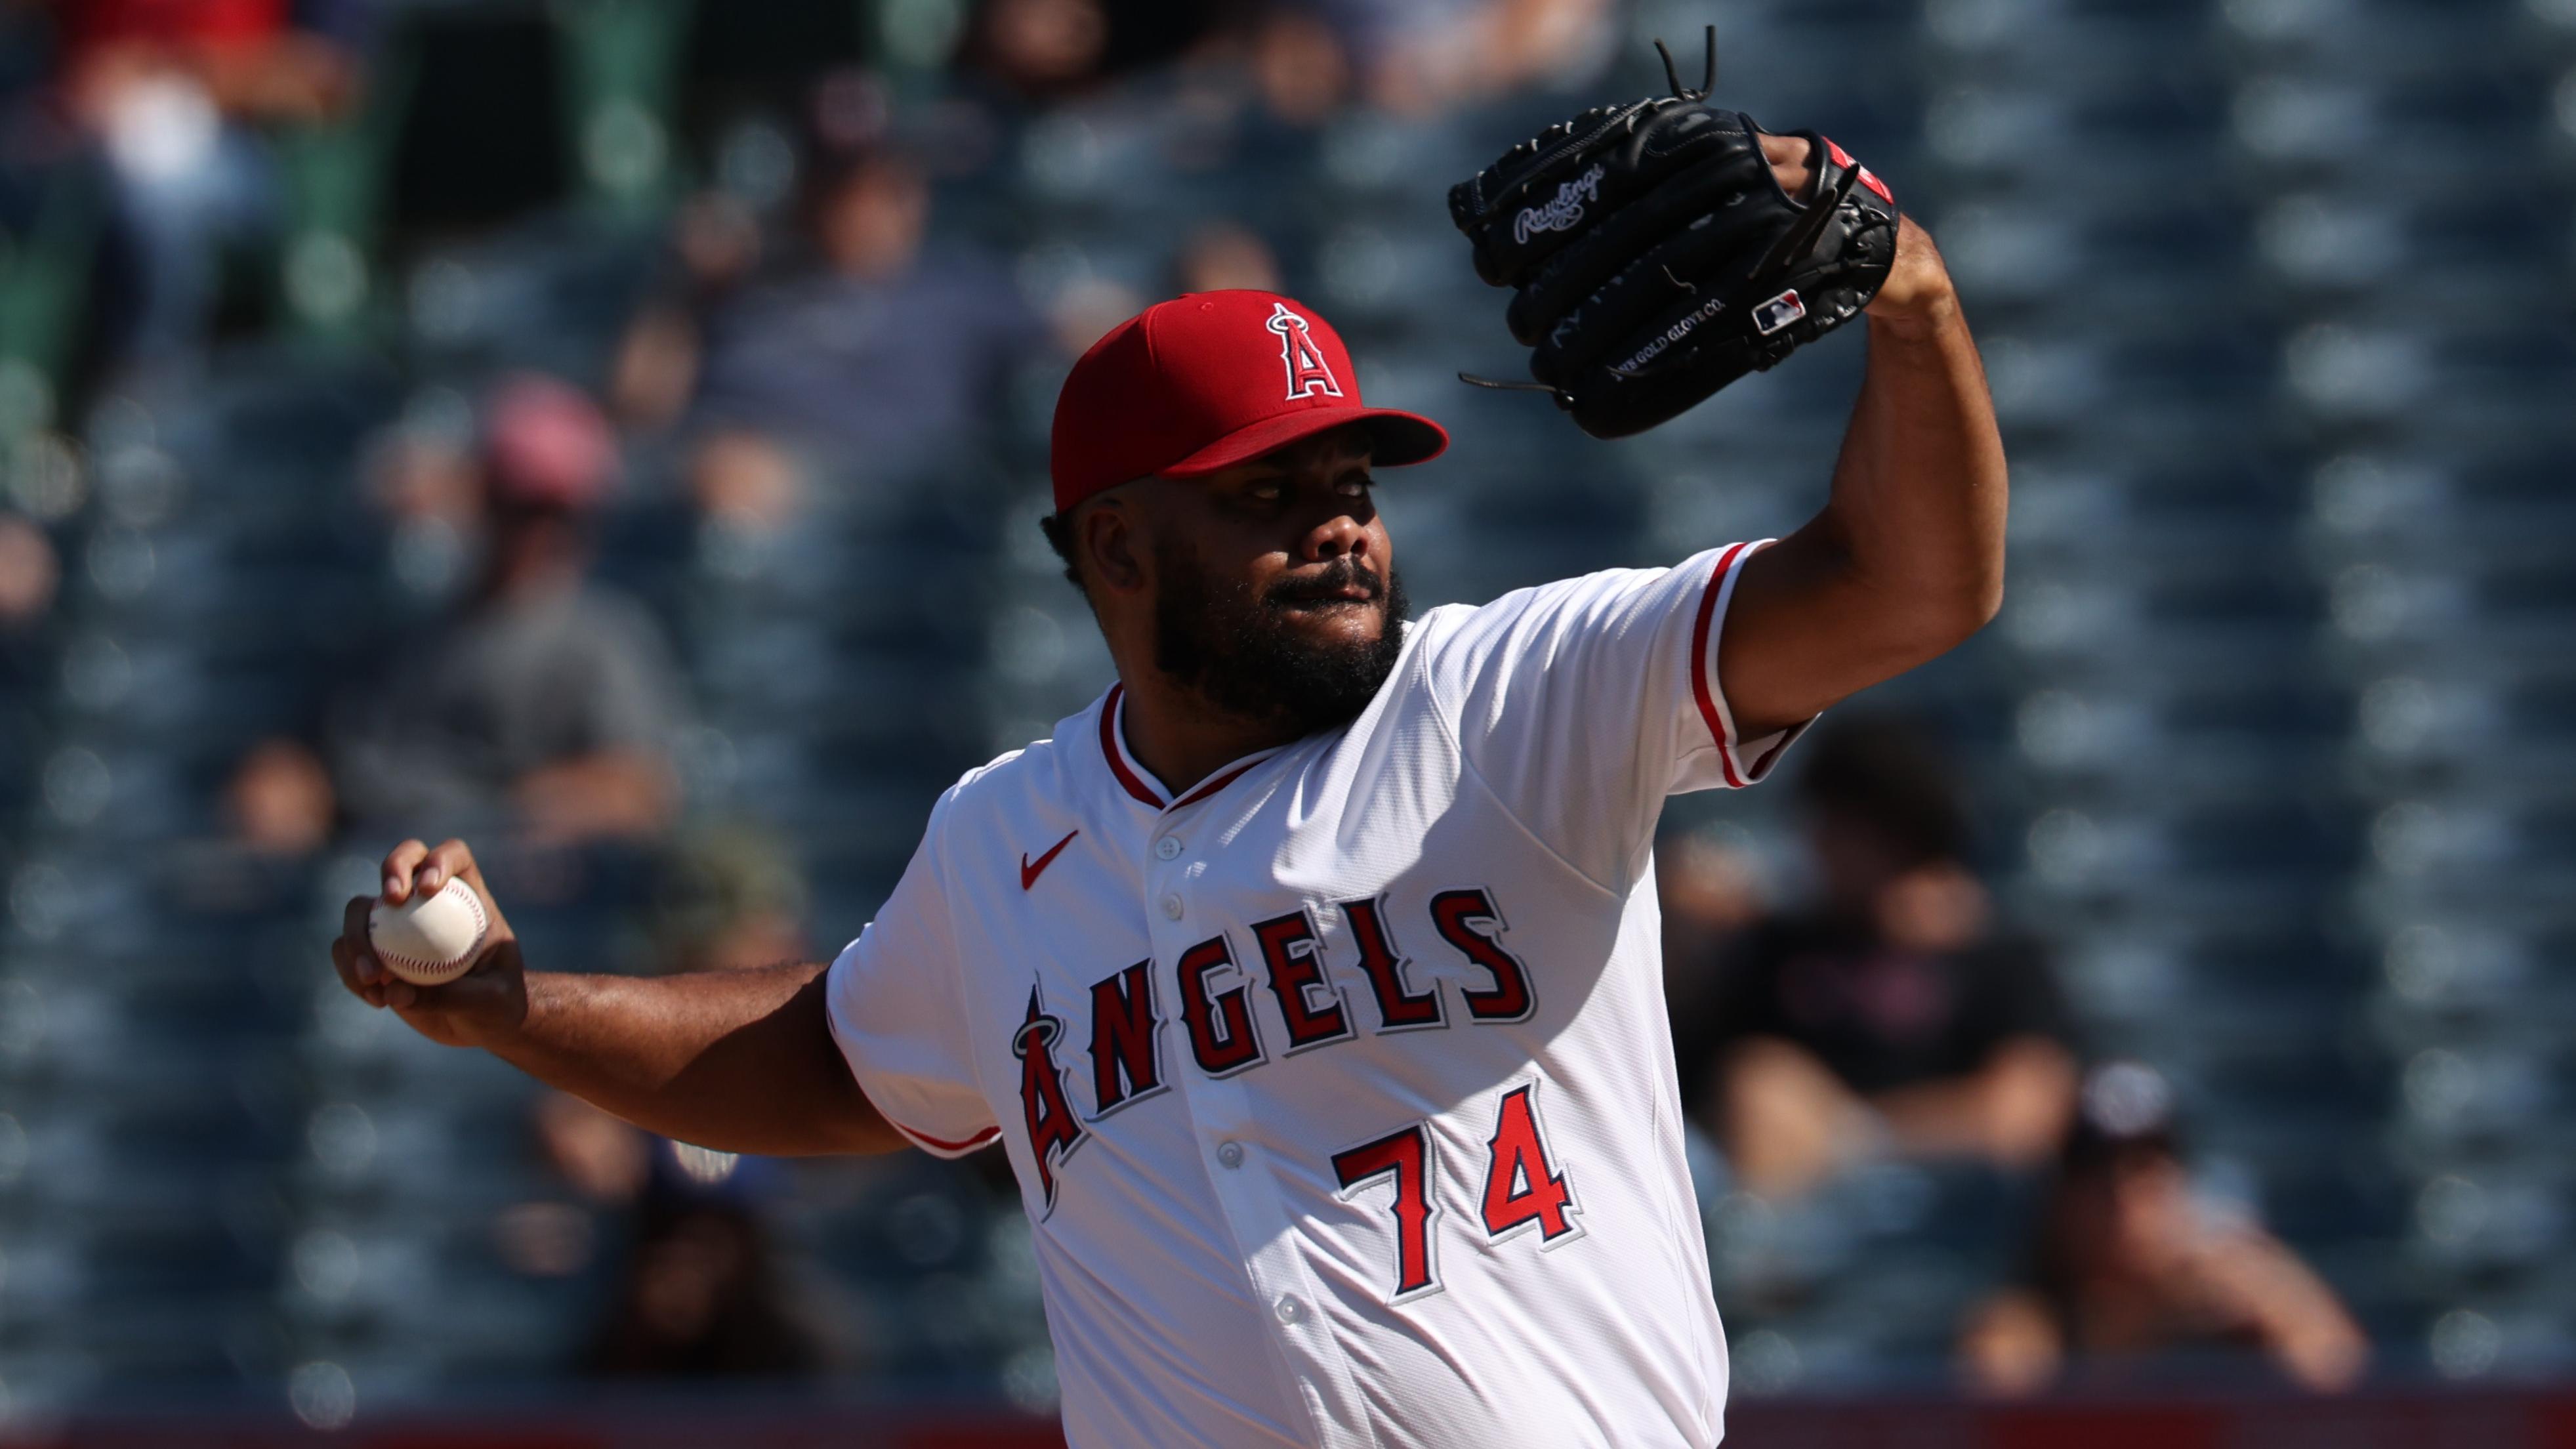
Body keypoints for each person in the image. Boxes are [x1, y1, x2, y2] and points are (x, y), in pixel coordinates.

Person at [329, 125, 2004, 1446]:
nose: (1340, 520)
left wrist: (1910, 296)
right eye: (1271, 491)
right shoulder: (1004, 837)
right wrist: (515, 1004)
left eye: (1351, 477)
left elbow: (1904, 584)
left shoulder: (1514, 693)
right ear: (1116, 545)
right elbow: (827, 1059)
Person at [1671, 715, 2080, 1200]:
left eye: (1835, 824)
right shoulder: (1778, 946)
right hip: (1797, 1215)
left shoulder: (1997, 956)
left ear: (1894, 832)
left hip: (1944, 1212)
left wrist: (1841, 1134)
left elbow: (2022, 1114)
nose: (1817, 843)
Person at [329, 373, 688, 845]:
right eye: (519, 506)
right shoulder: (418, 635)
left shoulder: (605, 640)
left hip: (526, 897)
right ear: (484, 498)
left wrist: (509, 813)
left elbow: (642, 793)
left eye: (558, 512)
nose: (539, 531)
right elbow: (349, 768)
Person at [1957, 1061, 2367, 1396]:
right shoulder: (2033, 1317)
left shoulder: (2233, 1293)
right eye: (2099, 1175)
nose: (2123, 1198)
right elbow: (1995, 1401)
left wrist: (2279, 1308)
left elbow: (2345, 1390)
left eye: (2145, 1171)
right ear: (2062, 1200)